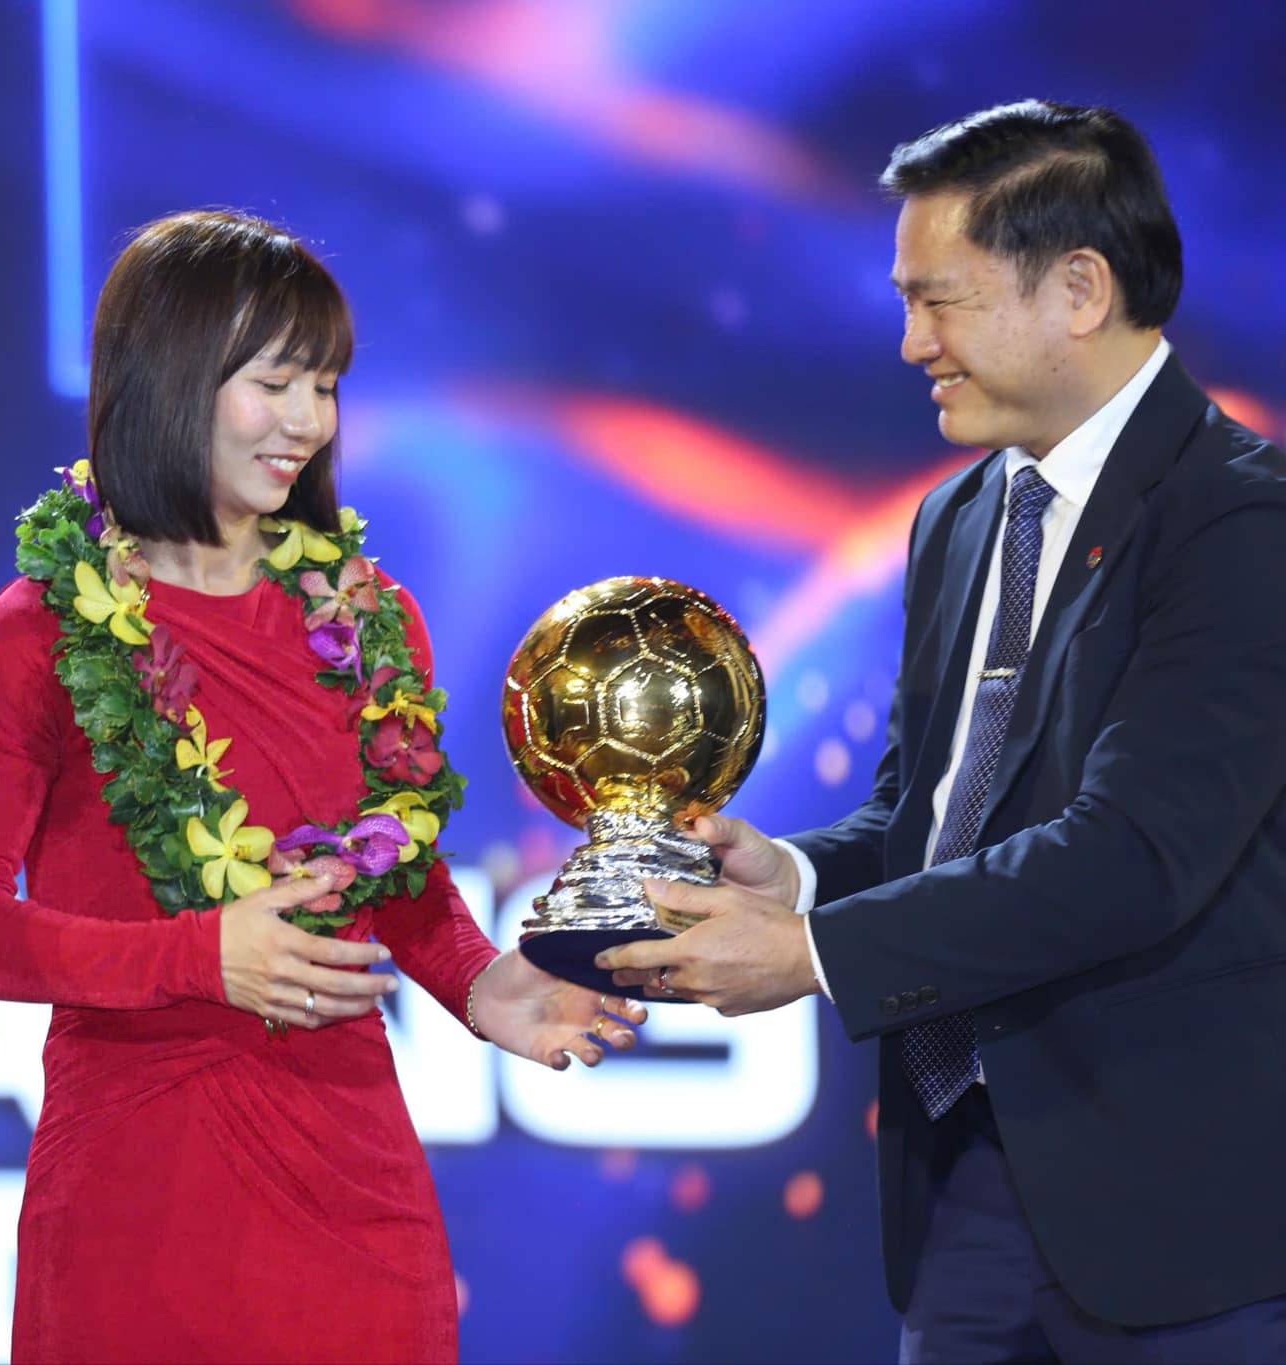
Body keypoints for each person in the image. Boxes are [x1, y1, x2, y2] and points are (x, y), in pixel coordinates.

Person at [600, 100, 1286, 1361]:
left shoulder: (1238, 523)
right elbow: (925, 811)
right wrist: (793, 872)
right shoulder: (957, 518)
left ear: (1078, 288)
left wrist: (812, 953)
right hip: (962, 1188)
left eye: (941, 300)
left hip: (1182, 1218)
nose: (911, 342)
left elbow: (1130, 856)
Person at [0, 208, 646, 1364]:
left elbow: (391, 881)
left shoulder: (367, 615)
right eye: (273, 383)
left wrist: (480, 984)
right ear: (168, 377)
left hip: (351, 1172)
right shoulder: (33, 635)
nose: (308, 422)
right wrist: (199, 957)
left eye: (327, 386)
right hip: (139, 1187)